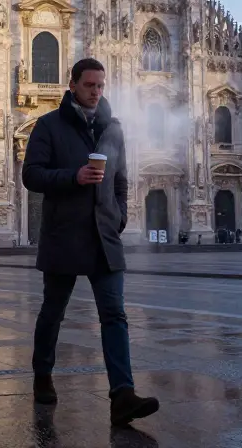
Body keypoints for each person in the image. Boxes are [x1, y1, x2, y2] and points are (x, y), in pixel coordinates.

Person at [22, 58, 159, 426]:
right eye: (89, 86)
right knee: (53, 312)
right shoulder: (48, 125)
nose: (96, 92)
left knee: (115, 315)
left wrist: (119, 216)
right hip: (65, 234)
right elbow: (31, 175)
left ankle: (122, 395)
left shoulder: (113, 129)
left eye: (101, 86)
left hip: (104, 236)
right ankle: (43, 374)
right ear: (73, 86)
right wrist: (73, 176)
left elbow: (121, 180)